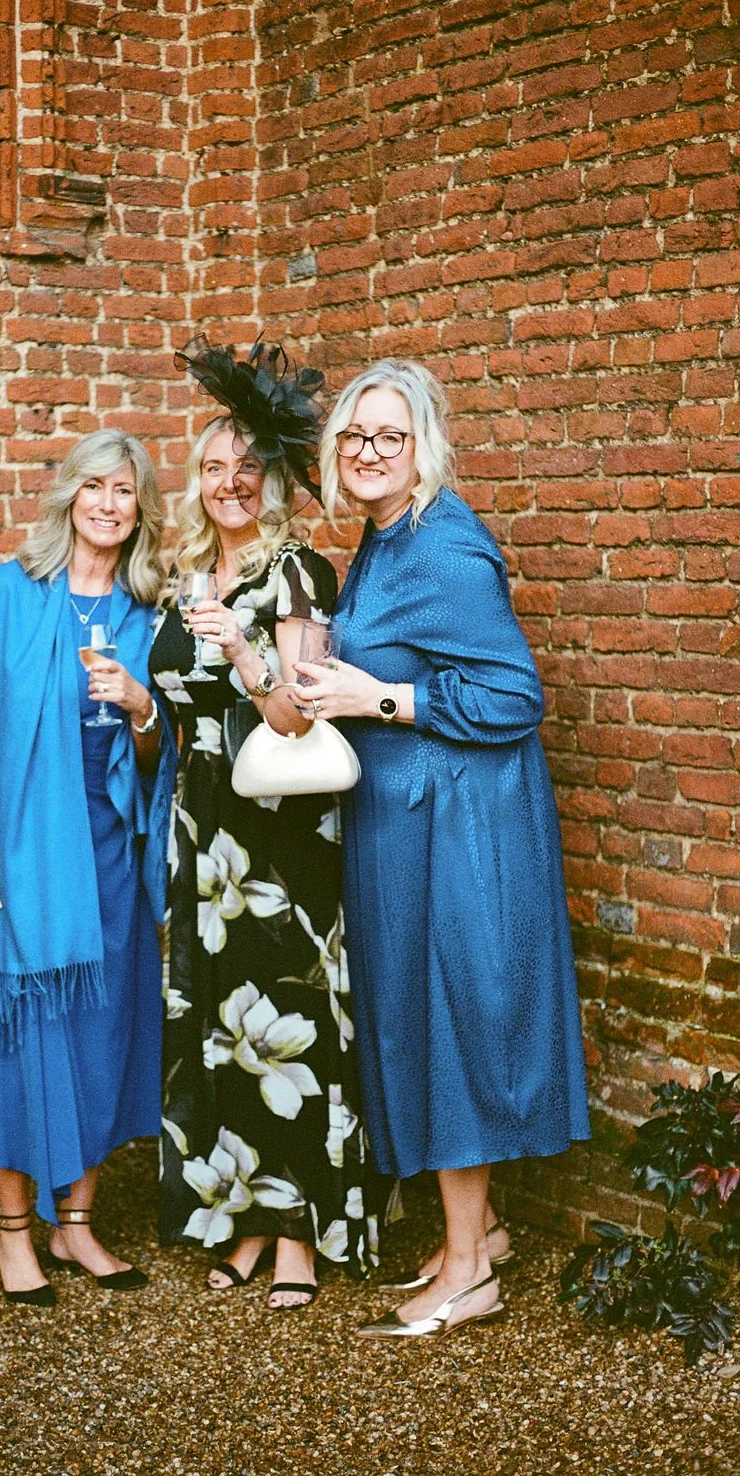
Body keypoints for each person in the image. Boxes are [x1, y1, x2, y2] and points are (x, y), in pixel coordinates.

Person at [295, 360, 590, 1339]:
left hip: (459, 834)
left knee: (456, 1025)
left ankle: (469, 1273)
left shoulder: (447, 543)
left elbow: (514, 697)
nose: (369, 451)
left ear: (423, 446)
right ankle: (483, 1232)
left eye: (389, 435)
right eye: (354, 436)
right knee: (420, 1021)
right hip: (402, 826)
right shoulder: (377, 544)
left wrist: (370, 696)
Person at [152, 340, 379, 1311]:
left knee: (285, 1018)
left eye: (246, 469)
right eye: (212, 468)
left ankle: (300, 1231)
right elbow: (173, 706)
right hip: (201, 829)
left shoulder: (297, 577)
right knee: (219, 1023)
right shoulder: (186, 574)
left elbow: (298, 711)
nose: (229, 483)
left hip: (278, 831)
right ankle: (240, 1209)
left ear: (272, 480)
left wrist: (243, 649)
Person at [0, 429, 174, 1306]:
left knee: (102, 1028)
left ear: (142, 510)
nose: (111, 505)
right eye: (96, 487)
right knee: (26, 1028)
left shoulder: (149, 615)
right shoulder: (8, 596)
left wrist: (143, 706)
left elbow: (162, 761)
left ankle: (76, 1226)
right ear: (69, 495)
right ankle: (11, 1231)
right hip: (26, 854)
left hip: (111, 853)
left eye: (127, 492)